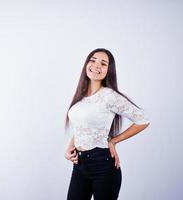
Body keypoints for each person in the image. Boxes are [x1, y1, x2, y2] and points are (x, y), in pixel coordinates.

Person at [64, 48, 150, 200]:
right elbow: (81, 126)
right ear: (86, 64)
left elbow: (143, 120)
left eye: (103, 64)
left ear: (108, 71)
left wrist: (113, 141)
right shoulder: (81, 96)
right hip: (79, 165)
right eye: (93, 60)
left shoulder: (109, 96)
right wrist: (70, 147)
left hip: (102, 165)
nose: (96, 65)